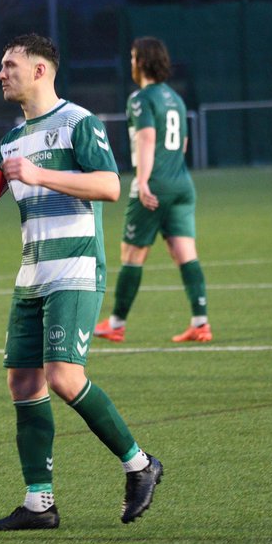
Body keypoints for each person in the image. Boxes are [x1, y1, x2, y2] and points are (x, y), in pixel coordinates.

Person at [0, 33, 162, 531]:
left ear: (41, 70)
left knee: (64, 377)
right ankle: (38, 503)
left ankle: (140, 464)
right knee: (22, 382)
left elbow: (110, 185)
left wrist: (41, 175)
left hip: (74, 269)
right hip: (32, 274)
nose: (1, 74)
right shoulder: (11, 140)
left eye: (9, 65)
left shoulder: (78, 122)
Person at [93, 36, 210, 343]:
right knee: (186, 253)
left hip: (154, 185)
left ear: (142, 62)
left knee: (132, 253)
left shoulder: (140, 99)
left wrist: (142, 181)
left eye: (133, 58)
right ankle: (200, 321)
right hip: (182, 183)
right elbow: (182, 144)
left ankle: (116, 323)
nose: (131, 63)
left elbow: (146, 138)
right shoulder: (176, 98)